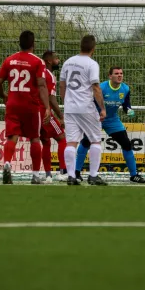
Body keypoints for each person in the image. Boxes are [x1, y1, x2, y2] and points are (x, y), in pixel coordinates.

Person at [0, 30, 51, 185]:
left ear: (19, 43)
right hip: (30, 105)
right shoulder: (38, 62)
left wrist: (3, 96)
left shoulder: (9, 60)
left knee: (12, 136)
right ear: (33, 44)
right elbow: (41, 85)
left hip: (13, 104)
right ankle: (35, 175)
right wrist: (47, 107)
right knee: (35, 138)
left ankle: (7, 164)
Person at [75, 66, 145, 184]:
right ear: (110, 76)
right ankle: (76, 172)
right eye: (116, 73)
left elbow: (126, 105)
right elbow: (89, 103)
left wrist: (128, 110)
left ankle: (134, 175)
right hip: (96, 118)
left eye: (121, 73)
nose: (119, 75)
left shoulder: (125, 88)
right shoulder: (101, 88)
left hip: (112, 120)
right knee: (86, 142)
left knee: (126, 144)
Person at [59, 35, 107, 186]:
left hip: (70, 108)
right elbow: (96, 88)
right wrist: (103, 108)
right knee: (95, 139)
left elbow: (62, 85)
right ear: (93, 48)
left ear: (80, 46)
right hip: (86, 107)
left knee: (71, 142)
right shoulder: (92, 64)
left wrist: (65, 101)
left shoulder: (68, 62)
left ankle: (71, 176)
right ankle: (93, 175)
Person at [39, 50, 68, 183]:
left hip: (35, 113)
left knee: (46, 142)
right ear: (49, 61)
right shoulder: (48, 75)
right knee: (62, 137)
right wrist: (61, 116)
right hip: (45, 112)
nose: (59, 61)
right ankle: (63, 172)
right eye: (57, 58)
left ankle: (48, 176)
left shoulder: (40, 73)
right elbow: (51, 99)